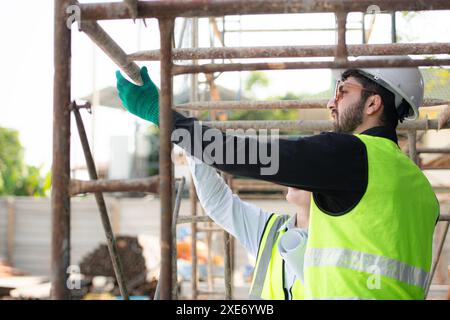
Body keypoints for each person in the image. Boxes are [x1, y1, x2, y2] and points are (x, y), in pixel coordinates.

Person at [116, 56, 439, 299]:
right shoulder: (420, 186)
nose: (331, 102)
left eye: (342, 91)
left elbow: (233, 153)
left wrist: (162, 113)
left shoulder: (351, 154)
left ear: (372, 102)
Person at [187, 154, 310, 299]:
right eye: (297, 169)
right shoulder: (270, 231)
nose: (297, 175)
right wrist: (192, 140)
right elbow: (218, 202)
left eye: (309, 170)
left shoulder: (338, 240)